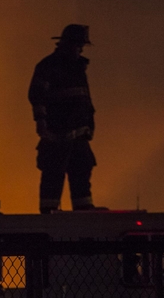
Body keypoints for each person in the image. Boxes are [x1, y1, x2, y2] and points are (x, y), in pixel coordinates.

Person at [28, 24, 106, 214]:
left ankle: (83, 207)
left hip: (78, 131)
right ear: (66, 44)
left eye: (82, 46)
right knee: (53, 171)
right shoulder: (49, 66)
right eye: (78, 45)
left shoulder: (77, 68)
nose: (80, 49)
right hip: (57, 131)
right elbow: (36, 94)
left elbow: (82, 98)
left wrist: (88, 124)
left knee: (82, 167)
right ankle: (49, 210)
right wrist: (41, 121)